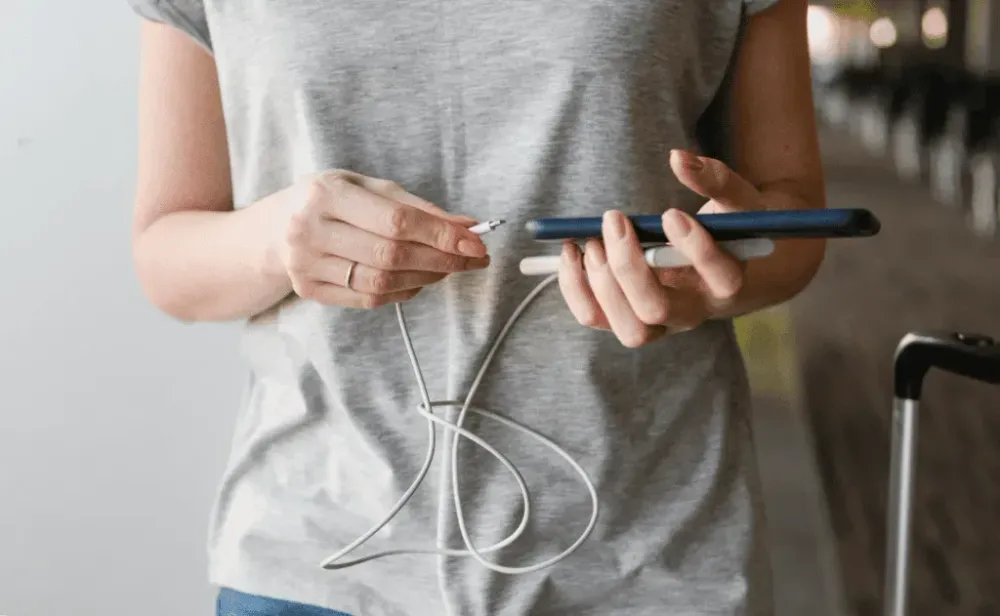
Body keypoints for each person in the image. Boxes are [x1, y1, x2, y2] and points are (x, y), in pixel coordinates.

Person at [125, 0, 826, 613]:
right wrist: (278, 241)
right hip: (318, 563)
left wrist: (707, 279)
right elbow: (166, 257)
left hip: (646, 564)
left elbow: (791, 219)